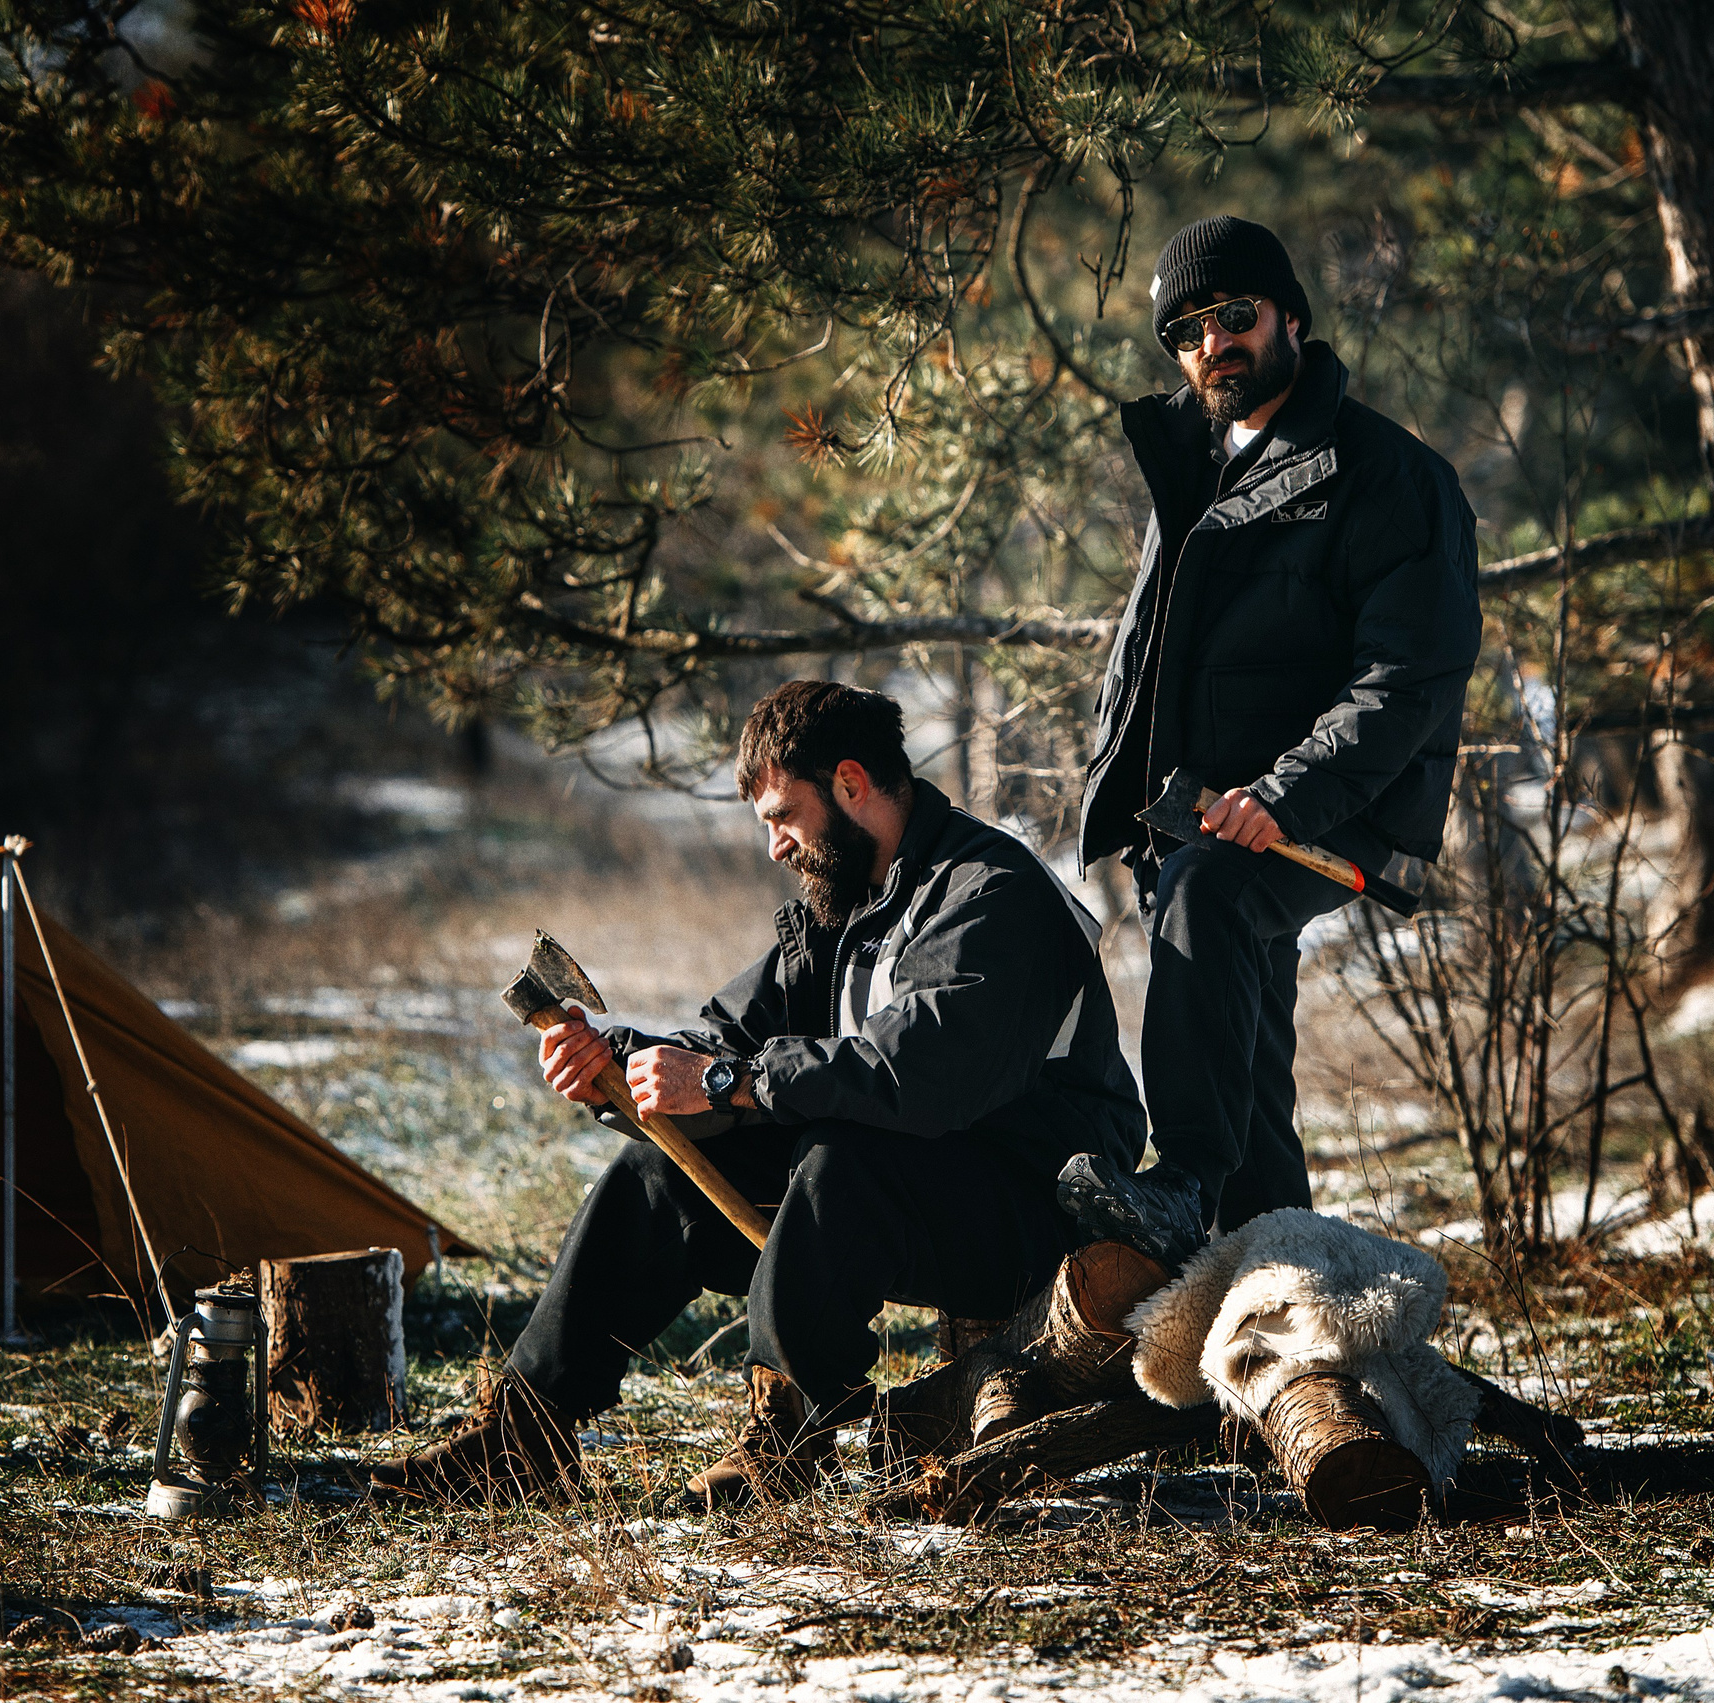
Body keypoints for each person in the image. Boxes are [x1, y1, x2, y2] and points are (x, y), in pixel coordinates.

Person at [372, 681, 1146, 1508]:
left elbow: (919, 1077)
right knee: (660, 1172)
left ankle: (785, 1438)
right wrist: (617, 1061)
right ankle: (526, 1431)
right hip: (895, 1198)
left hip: (1038, 1216)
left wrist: (730, 1084)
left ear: (851, 784)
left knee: (837, 1153)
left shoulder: (993, 893)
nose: (775, 846)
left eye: (784, 816)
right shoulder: (842, 905)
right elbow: (725, 1041)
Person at [1062, 214, 1482, 1255]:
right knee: (1245, 1069)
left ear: (1290, 315)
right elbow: (1155, 651)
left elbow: (1406, 678)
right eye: (1188, 329)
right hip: (1198, 814)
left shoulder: (1388, 475)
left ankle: (1183, 1180)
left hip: (1327, 816)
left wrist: (1283, 794)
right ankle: (1280, 1287)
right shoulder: (1197, 460)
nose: (1213, 342)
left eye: (1234, 315)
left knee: (1216, 902)